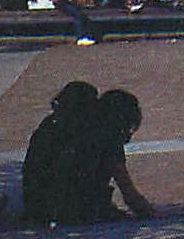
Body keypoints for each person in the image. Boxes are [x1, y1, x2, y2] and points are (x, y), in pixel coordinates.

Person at [21, 82, 156, 225]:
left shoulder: (50, 125)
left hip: (36, 209)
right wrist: (153, 216)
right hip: (81, 212)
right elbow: (129, 194)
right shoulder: (106, 137)